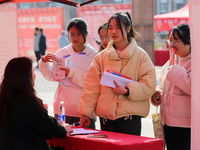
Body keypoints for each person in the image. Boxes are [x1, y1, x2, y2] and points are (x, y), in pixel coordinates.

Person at [78, 12, 156, 135]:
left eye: (118, 28)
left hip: (130, 117)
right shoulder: (101, 57)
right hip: (106, 118)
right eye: (110, 28)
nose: (113, 32)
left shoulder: (141, 56)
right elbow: (91, 87)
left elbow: (149, 85)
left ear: (128, 28)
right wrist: (85, 113)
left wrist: (127, 90)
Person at [0, 57, 72, 150]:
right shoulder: (27, 102)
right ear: (26, 77)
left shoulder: (3, 99)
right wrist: (64, 127)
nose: (35, 76)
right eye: (33, 71)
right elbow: (55, 130)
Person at [39, 18, 98, 129]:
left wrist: (71, 73)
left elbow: (93, 83)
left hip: (84, 111)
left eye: (78, 34)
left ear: (86, 34)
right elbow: (51, 76)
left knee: (85, 144)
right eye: (72, 34)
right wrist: (44, 62)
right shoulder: (62, 52)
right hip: (63, 108)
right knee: (63, 143)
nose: (75, 38)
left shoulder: (93, 55)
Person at [151, 24, 191, 150]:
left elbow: (191, 87)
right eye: (170, 40)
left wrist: (174, 69)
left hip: (184, 124)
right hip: (166, 121)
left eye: (176, 41)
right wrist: (157, 93)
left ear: (188, 42)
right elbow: (162, 83)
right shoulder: (170, 61)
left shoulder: (195, 62)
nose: (171, 44)